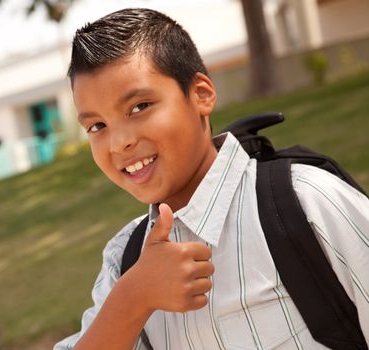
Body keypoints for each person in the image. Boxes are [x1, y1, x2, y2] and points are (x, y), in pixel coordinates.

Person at [55, 8, 369, 350]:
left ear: (201, 95)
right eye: (97, 126)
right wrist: (133, 297)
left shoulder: (306, 201)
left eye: (140, 106)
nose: (119, 142)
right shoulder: (124, 262)